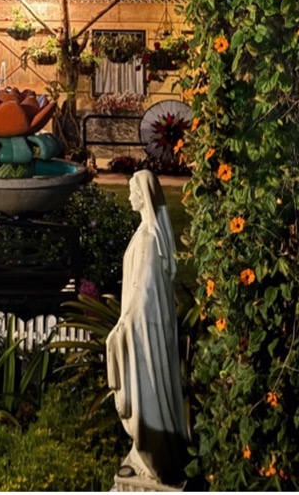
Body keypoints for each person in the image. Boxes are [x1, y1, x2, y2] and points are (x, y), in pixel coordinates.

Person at [106, 169, 188, 486]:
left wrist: (124, 326)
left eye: (132, 191)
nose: (128, 196)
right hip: (141, 327)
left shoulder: (150, 240)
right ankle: (142, 452)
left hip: (145, 331)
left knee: (148, 391)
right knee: (145, 392)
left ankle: (155, 458)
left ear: (143, 196)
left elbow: (145, 291)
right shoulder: (144, 234)